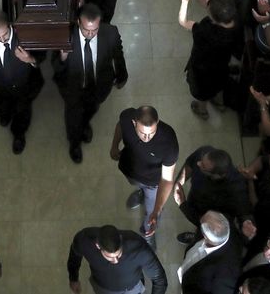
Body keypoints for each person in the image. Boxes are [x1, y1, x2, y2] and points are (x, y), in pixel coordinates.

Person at [53, 3, 128, 163]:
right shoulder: (64, 35)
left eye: (94, 30)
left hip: (99, 86)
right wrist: (63, 57)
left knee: (91, 108)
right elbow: (56, 68)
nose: (90, 34)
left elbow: (118, 55)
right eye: (86, 29)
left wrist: (122, 76)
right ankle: (74, 143)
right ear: (78, 22)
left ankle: (85, 123)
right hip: (72, 87)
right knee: (73, 117)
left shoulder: (110, 33)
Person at [109, 106, 179, 248]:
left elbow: (167, 179)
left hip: (153, 183)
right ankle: (141, 193)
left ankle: (148, 234)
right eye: (142, 133)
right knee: (136, 184)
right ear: (134, 123)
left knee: (151, 214)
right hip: (130, 171)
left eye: (151, 133)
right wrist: (114, 145)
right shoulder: (127, 117)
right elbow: (120, 126)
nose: (147, 138)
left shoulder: (168, 141)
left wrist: (157, 209)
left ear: (157, 123)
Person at [0, 12, 44, 154]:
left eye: (5, 35)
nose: (2, 40)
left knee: (22, 113)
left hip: (24, 87)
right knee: (1, 107)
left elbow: (42, 57)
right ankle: (5, 116)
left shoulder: (27, 36)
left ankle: (18, 135)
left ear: (10, 26)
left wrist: (29, 59)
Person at [178, 0, 238, 119]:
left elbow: (183, 21)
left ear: (213, 18)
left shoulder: (205, 32)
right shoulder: (234, 21)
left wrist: (185, 0)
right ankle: (219, 103)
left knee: (203, 92)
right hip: (222, 66)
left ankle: (202, 110)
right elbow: (207, 1)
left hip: (202, 70)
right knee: (218, 85)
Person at [173, 146, 251, 244]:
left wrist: (182, 204)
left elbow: (243, 212)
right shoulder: (204, 152)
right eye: (201, 161)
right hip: (195, 200)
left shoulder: (236, 188)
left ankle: (199, 237)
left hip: (211, 218)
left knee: (206, 231)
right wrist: (179, 182)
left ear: (218, 175)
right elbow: (191, 163)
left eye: (203, 167)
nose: (198, 164)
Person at [67, 225, 167, 294]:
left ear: (121, 238)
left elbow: (159, 279)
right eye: (110, 257)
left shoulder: (138, 248)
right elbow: (74, 256)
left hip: (132, 289)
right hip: (102, 288)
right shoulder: (84, 241)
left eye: (118, 255)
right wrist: (73, 278)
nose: (116, 261)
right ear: (98, 245)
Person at [175, 211, 242, 294]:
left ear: (205, 236)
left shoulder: (223, 276)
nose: (198, 226)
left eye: (200, 226)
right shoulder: (222, 225)